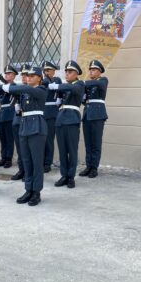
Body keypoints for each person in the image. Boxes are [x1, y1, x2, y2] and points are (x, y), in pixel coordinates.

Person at [1, 66, 47, 206]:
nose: (29, 78)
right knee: (26, 160)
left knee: (36, 162)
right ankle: (28, 189)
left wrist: (9, 88)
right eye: (28, 76)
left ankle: (36, 192)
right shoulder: (26, 93)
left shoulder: (40, 90)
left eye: (33, 76)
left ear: (39, 78)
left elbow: (26, 89)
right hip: (25, 126)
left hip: (37, 127)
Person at [48, 60, 85, 189]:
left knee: (72, 150)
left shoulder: (79, 84)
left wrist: (56, 87)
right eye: (66, 72)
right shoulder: (65, 86)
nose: (67, 74)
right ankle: (64, 175)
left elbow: (71, 88)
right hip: (61, 119)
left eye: (70, 72)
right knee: (63, 150)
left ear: (76, 73)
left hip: (72, 119)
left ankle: (71, 177)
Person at [80, 60, 108, 178]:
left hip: (97, 114)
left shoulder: (103, 80)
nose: (91, 72)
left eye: (94, 70)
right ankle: (88, 166)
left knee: (96, 142)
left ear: (99, 72)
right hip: (87, 114)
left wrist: (80, 83)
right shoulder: (88, 84)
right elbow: (83, 100)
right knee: (88, 142)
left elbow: (100, 85)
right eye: (90, 70)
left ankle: (94, 167)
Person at [41, 61, 62, 173]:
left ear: (54, 71)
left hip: (51, 113)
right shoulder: (43, 81)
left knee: (49, 139)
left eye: (48, 70)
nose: (46, 72)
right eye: (45, 70)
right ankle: (41, 161)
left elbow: (52, 85)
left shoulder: (56, 80)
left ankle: (47, 163)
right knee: (41, 139)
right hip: (42, 113)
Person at [0, 65, 17, 169]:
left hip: (9, 115)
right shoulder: (2, 87)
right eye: (6, 74)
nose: (7, 75)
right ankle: (3, 157)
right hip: (1, 115)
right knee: (2, 138)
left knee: (9, 138)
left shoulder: (15, 86)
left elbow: (12, 90)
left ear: (13, 76)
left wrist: (5, 85)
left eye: (9, 74)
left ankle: (9, 158)